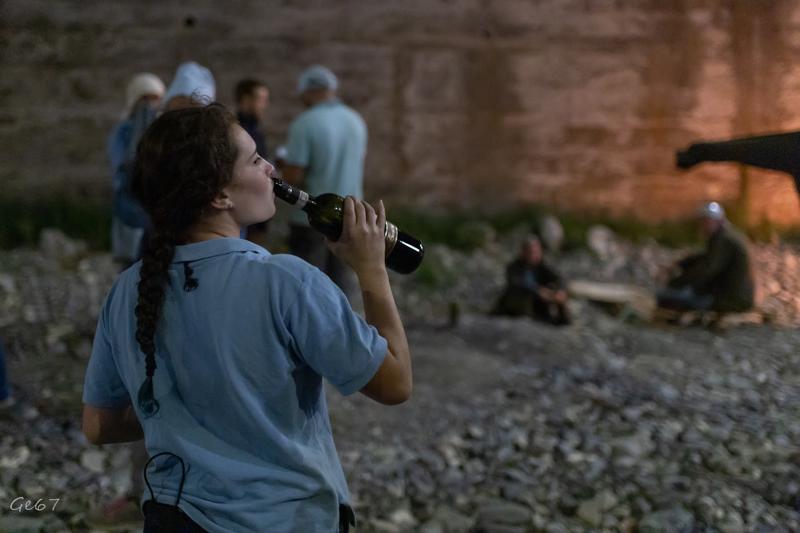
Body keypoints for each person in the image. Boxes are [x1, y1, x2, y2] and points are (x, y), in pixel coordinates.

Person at [81, 104, 411, 533]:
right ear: (220, 196)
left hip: (172, 517)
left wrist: (183, 412)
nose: (271, 167)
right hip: (284, 518)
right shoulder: (287, 282)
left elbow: (98, 425)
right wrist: (371, 269)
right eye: (255, 160)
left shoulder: (128, 290)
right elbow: (394, 383)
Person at [282, 65, 367, 303]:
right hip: (350, 218)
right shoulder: (356, 121)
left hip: (311, 219)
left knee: (308, 291)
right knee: (341, 289)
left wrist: (281, 168)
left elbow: (293, 176)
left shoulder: (305, 123)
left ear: (310, 91)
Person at [108, 73, 165, 269]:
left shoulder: (163, 129)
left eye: (154, 98)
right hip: (129, 199)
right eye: (144, 98)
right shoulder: (123, 131)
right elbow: (119, 161)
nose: (148, 105)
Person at [657, 201, 754, 312]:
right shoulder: (729, 235)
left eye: (705, 221)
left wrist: (677, 283)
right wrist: (681, 263)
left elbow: (708, 268)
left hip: (731, 300)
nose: (702, 226)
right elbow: (707, 257)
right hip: (739, 297)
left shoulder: (722, 239)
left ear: (717, 221)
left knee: (666, 296)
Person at [492, 235, 571, 326]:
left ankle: (560, 321)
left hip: (538, 302)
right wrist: (538, 291)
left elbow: (558, 278)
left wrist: (560, 291)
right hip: (518, 304)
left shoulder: (541, 267)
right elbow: (516, 283)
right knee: (522, 294)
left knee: (557, 294)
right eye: (531, 252)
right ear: (524, 252)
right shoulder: (514, 267)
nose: (534, 255)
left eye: (537, 252)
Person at [235, 78, 271, 243]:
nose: (264, 105)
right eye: (260, 99)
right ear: (246, 99)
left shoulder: (256, 129)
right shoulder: (237, 132)